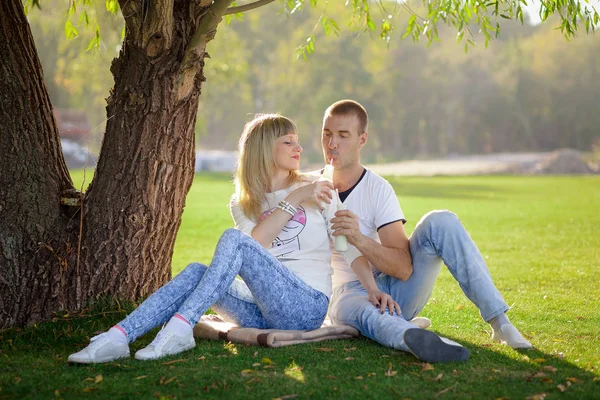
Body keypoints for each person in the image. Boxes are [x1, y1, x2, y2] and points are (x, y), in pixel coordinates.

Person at [68, 113, 354, 364]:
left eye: (297, 141)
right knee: (195, 271)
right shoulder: (243, 203)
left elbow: (342, 244)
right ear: (265, 147)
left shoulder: (316, 188)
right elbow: (257, 245)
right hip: (261, 311)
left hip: (305, 307)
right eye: (288, 141)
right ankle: (118, 337)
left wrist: (365, 285)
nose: (299, 148)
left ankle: (180, 326)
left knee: (234, 240)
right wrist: (293, 200)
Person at [321, 100, 533, 363]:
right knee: (361, 310)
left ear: (362, 140)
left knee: (441, 221)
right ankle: (414, 338)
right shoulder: (310, 186)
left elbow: (403, 269)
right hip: (346, 294)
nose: (332, 144)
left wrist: (360, 239)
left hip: (395, 293)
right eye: (327, 133)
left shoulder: (378, 189)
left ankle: (500, 323)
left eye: (343, 135)